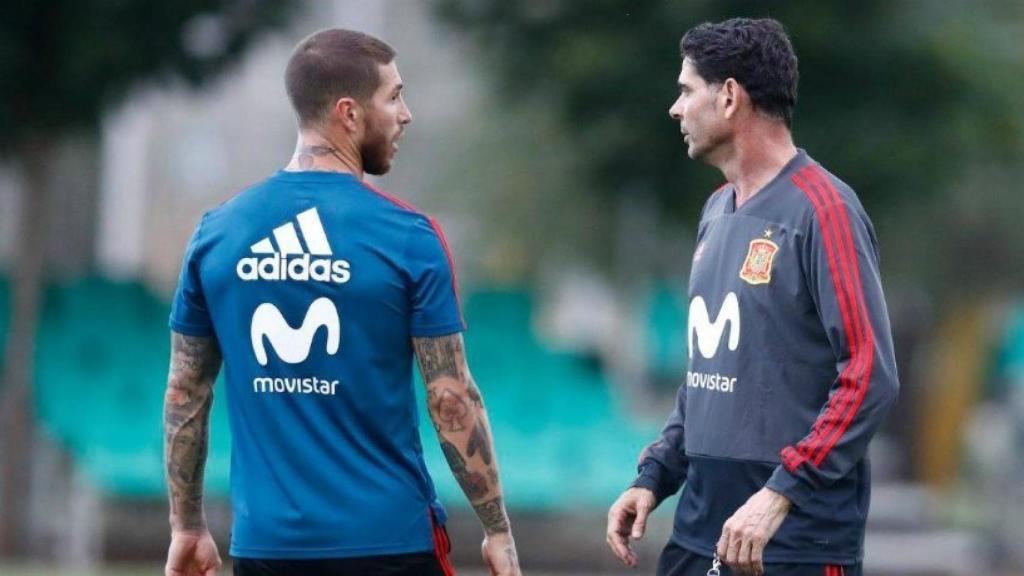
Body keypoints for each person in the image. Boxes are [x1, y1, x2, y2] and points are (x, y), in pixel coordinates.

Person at [163, 28, 521, 576]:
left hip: (267, 550)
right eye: (395, 96)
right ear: (349, 113)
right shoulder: (409, 236)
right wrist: (496, 529)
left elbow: (186, 391)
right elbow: (452, 398)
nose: (407, 115)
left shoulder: (217, 234)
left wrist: (186, 526)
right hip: (388, 545)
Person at [606, 18, 899, 576]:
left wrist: (781, 493)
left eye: (686, 90)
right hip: (698, 535)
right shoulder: (716, 212)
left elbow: (869, 374)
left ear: (730, 96)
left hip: (789, 544)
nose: (675, 108)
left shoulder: (825, 210)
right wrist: (656, 475)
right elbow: (706, 376)